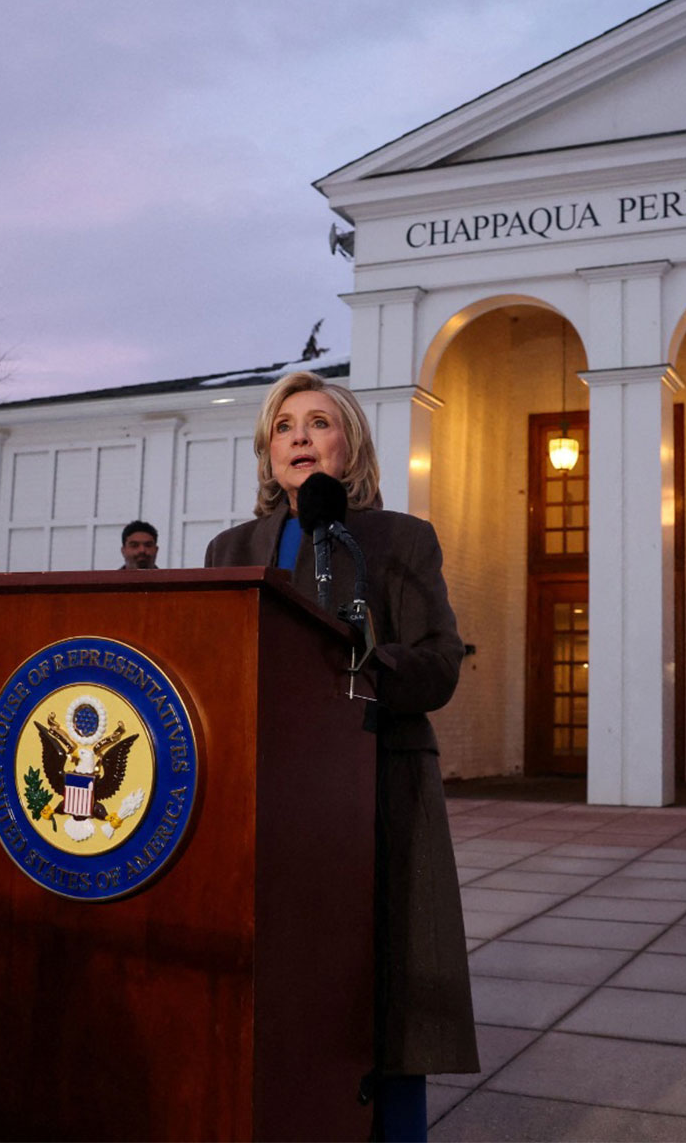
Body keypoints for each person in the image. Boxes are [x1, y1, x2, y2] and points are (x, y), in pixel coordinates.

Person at [204, 373, 478, 1139]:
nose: (298, 436)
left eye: (318, 422)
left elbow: (440, 662)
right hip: (264, 798)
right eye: (283, 425)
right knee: (282, 994)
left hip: (375, 793)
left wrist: (360, 668)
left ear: (347, 444)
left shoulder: (399, 539)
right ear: (268, 450)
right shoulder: (230, 549)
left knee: (378, 995)